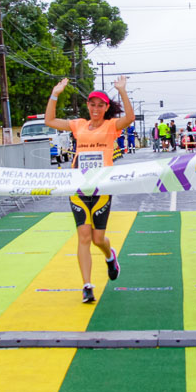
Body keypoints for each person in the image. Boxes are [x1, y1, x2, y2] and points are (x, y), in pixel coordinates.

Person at [45, 76, 134, 304]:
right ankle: (87, 285)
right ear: (87, 106)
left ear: (106, 108)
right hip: (78, 187)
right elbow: (50, 120)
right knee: (83, 236)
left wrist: (122, 90)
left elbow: (130, 118)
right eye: (92, 104)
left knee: (98, 239)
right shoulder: (78, 125)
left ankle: (110, 256)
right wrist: (55, 93)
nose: (96, 108)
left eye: (100, 105)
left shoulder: (110, 126)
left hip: (102, 188)